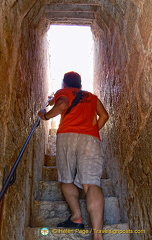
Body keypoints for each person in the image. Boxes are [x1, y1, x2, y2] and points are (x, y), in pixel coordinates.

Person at [38, 71, 109, 240]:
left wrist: (45, 115)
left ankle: (77, 216)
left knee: (67, 179)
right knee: (91, 184)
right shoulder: (92, 97)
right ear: (81, 86)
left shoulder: (63, 92)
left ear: (64, 84)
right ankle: (98, 236)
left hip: (67, 136)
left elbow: (62, 105)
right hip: (91, 139)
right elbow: (104, 116)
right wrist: (91, 131)